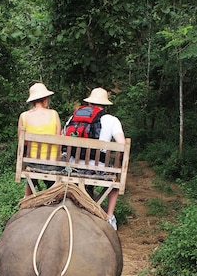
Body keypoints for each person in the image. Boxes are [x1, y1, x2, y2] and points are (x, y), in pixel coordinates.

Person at [65, 87, 125, 230]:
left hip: (73, 167)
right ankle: (109, 216)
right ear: (105, 105)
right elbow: (122, 145)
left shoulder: (74, 118)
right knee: (115, 181)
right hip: (97, 169)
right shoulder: (112, 120)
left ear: (90, 103)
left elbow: (64, 137)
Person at [18, 82, 62, 196]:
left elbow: (22, 142)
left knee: (31, 170)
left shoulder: (24, 116)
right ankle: (54, 193)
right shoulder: (54, 114)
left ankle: (26, 198)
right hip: (52, 164)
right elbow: (59, 140)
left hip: (33, 163)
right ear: (46, 99)